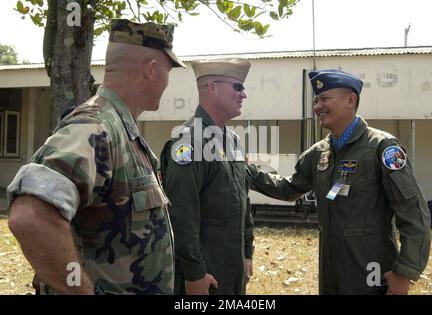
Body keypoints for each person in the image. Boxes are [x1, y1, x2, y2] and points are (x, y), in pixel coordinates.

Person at [7, 19, 186, 295]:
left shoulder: (121, 130)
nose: (167, 82)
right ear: (151, 70)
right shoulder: (96, 126)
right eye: (167, 72)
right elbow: (30, 216)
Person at [247, 69, 431, 295]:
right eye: (315, 100)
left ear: (350, 100)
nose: (317, 107)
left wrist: (404, 271)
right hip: (332, 271)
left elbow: (413, 212)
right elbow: (289, 189)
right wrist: (246, 171)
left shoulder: (382, 148)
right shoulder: (319, 153)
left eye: (325, 99)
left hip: (371, 271)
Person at [160, 58, 254, 295]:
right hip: (206, 275)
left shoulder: (232, 141)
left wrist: (246, 252)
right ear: (212, 87)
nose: (244, 95)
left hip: (232, 269)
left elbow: (242, 202)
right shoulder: (188, 143)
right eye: (238, 87)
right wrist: (194, 273)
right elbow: (181, 213)